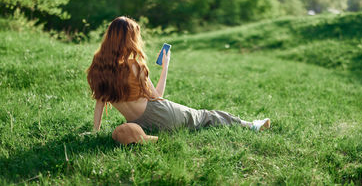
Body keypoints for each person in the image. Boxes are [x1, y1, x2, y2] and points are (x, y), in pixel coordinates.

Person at [87, 16, 271, 144]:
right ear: (130, 39)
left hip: (143, 125)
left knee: (201, 120)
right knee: (206, 116)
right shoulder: (134, 66)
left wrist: (95, 130)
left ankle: (149, 138)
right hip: (161, 114)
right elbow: (157, 96)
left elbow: (100, 102)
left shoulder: (99, 67)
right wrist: (165, 67)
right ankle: (251, 125)